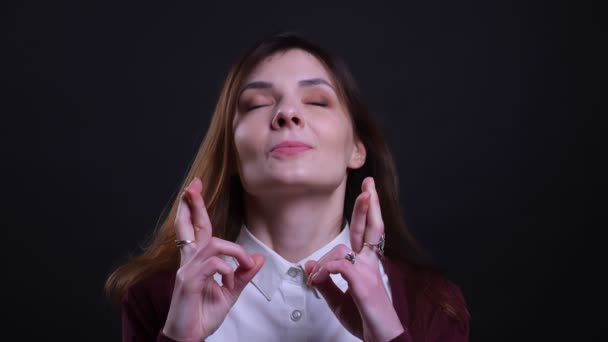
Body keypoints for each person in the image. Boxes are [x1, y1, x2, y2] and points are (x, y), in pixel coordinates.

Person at [105, 31, 470, 342]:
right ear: (231, 153)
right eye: (257, 104)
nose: (287, 113)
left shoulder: (432, 302)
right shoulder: (156, 297)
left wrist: (389, 332)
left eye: (316, 101)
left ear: (357, 148)